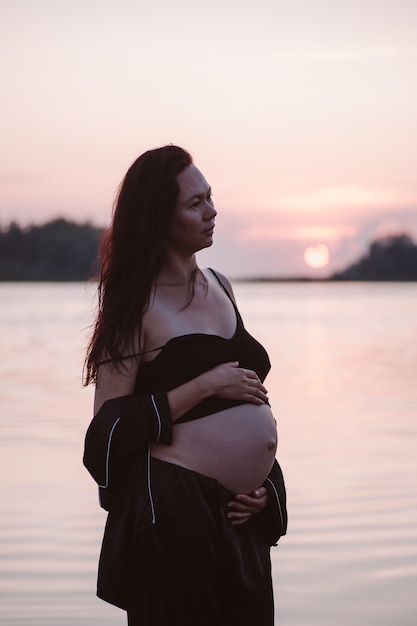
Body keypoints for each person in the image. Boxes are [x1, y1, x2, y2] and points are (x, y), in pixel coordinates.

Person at [83, 145, 287, 626]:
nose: (212, 212)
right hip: (176, 515)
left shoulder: (221, 285)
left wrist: (264, 488)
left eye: (210, 198)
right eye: (195, 204)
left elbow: (249, 398)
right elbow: (105, 435)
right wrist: (202, 385)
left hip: (240, 516)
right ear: (158, 217)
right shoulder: (135, 306)